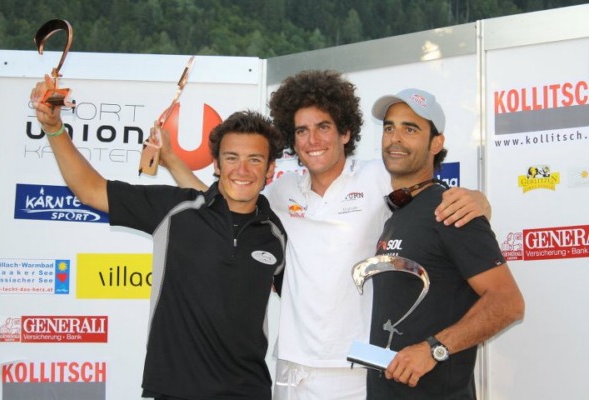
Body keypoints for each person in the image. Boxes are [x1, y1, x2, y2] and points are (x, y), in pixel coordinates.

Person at [158, 70, 492, 400]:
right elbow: (221, 204)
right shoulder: (282, 190)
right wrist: (172, 161)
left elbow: (432, 196)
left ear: (345, 132)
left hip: (355, 368)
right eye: (301, 131)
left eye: (323, 127)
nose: (312, 140)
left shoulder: (378, 176)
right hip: (291, 367)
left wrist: (479, 201)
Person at [30, 74, 287, 400]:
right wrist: (54, 128)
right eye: (231, 158)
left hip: (250, 392)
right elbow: (90, 189)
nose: (242, 170)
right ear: (217, 165)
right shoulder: (175, 210)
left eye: (255, 160)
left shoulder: (277, 233)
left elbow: (304, 301)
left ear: (270, 169)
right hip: (175, 391)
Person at [367, 88, 525, 399]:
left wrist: (434, 349)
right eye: (389, 127)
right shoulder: (397, 213)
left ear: (436, 143)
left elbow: (509, 303)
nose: (395, 138)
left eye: (410, 129)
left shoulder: (451, 209)